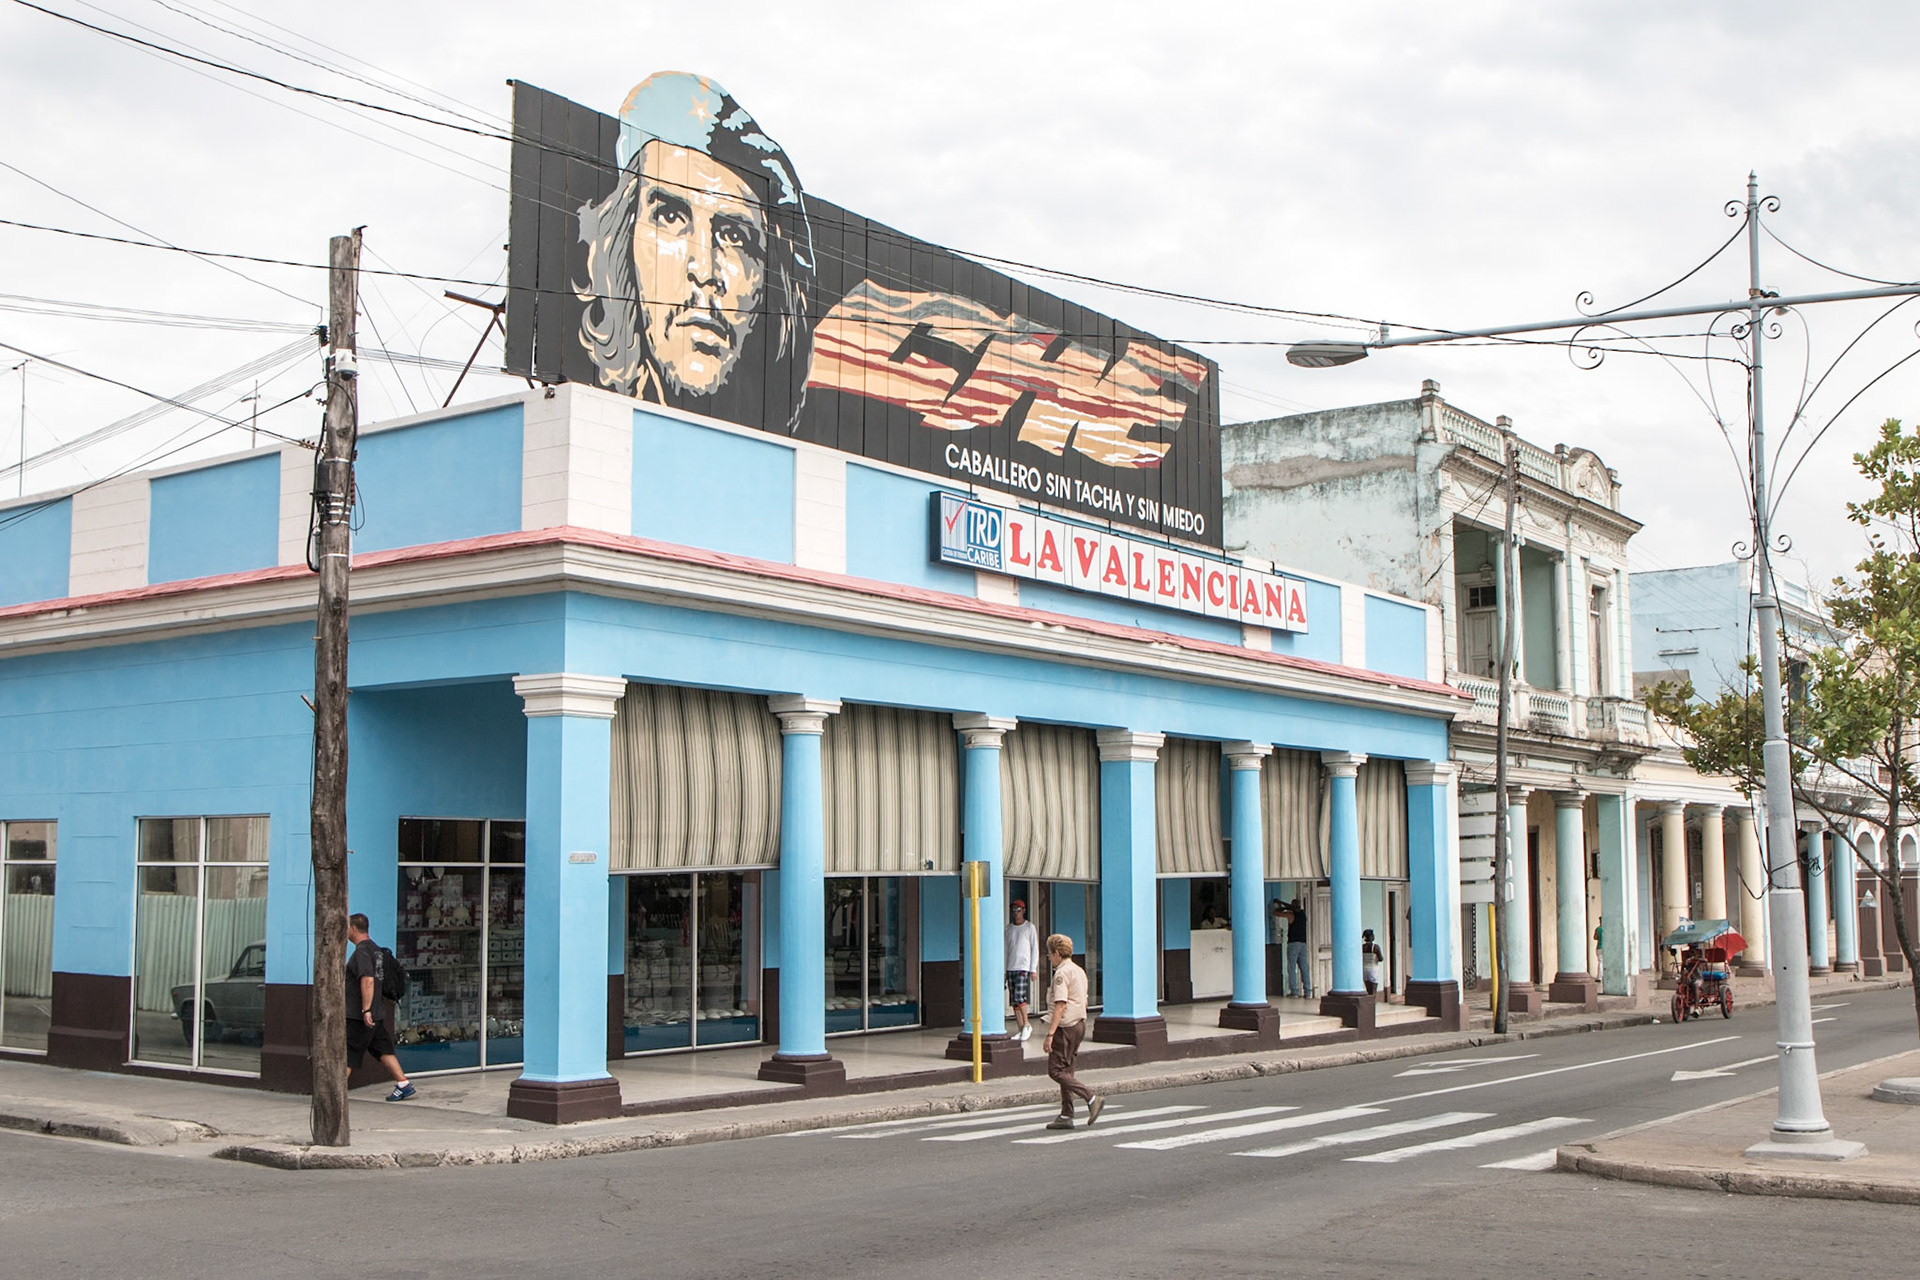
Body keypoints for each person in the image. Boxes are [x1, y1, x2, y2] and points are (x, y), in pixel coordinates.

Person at [576, 71, 818, 432]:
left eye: (734, 235)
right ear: (621, 244)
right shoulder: (588, 433)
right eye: (670, 217)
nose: (704, 270)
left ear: (772, 286)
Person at [345, 913, 414, 1101]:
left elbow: (367, 980)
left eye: (346, 927)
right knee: (382, 1048)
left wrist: (365, 1010)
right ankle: (403, 1084)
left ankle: (334, 1093)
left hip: (360, 1015)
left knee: (349, 1051)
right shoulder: (376, 950)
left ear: (353, 928)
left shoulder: (362, 951)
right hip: (377, 1012)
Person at [1041, 933, 1102, 1131]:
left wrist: (1050, 1034)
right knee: (1067, 1070)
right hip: (1079, 1023)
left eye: (1050, 954)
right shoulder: (1079, 970)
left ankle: (1091, 1098)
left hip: (1065, 1027)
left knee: (1056, 1071)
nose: (1049, 958)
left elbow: (1060, 1005)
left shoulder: (1061, 973)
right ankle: (1066, 1114)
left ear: (1057, 953)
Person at [1004, 899, 1040, 1042]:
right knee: (1014, 1001)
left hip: (1023, 966)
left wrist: (1033, 968)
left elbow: (1034, 949)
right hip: (1011, 966)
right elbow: (1006, 950)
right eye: (1013, 910)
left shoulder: (1029, 927)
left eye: (1018, 910)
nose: (1016, 913)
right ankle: (1020, 1028)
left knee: (1020, 997)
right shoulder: (1009, 929)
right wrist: (1004, 970)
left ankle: (1026, 1024)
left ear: (1024, 911)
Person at [1285, 899, 1312, 999]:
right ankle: (1308, 991)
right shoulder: (1303, 915)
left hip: (1293, 944)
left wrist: (1283, 906)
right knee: (1304, 968)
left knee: (1292, 968)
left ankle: (1294, 991)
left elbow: (1276, 913)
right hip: (1303, 944)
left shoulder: (1291, 915)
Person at [1361, 928, 1384, 996]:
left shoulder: (1362, 947)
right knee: (1373, 989)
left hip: (1364, 969)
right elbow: (1381, 959)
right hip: (1373, 969)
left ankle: (1369, 1002)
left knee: (1368, 989)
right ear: (1371, 937)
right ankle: (1372, 1003)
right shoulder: (1375, 947)